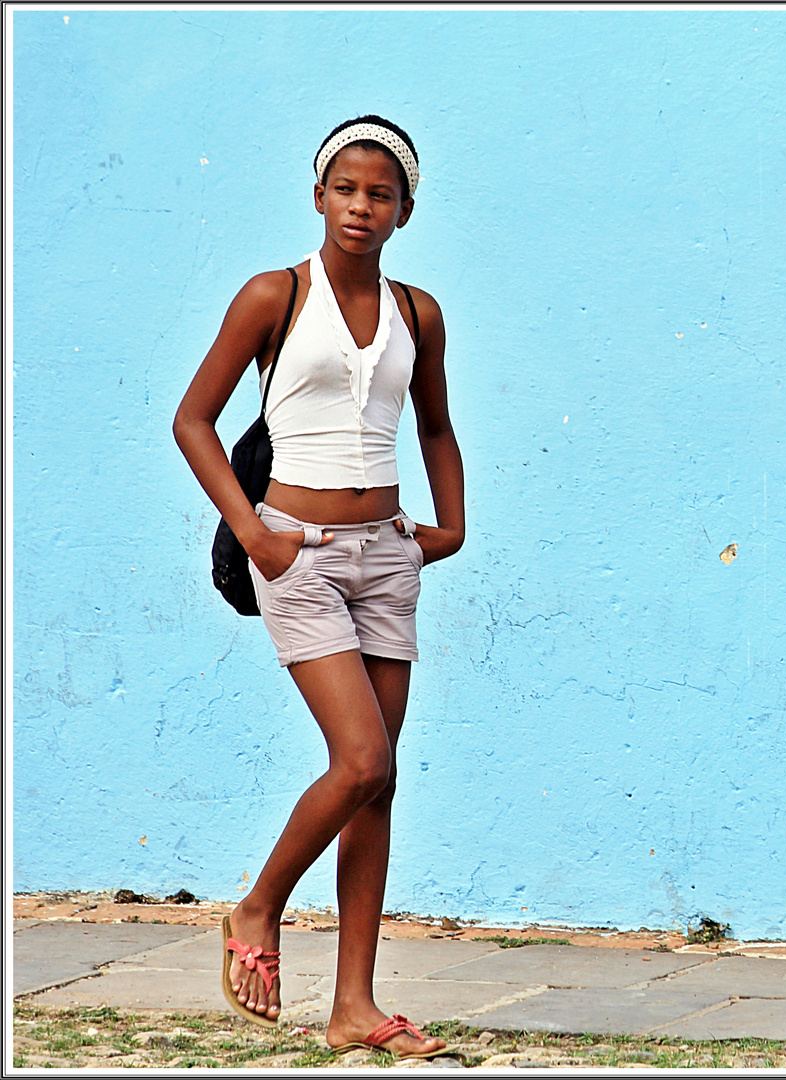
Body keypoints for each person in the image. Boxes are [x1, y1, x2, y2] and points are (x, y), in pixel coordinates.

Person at [173, 115, 462, 1060]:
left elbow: (434, 428)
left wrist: (447, 527)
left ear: (404, 212)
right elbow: (194, 420)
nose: (360, 207)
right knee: (362, 761)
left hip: (387, 554)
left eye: (380, 194)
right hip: (300, 553)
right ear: (318, 196)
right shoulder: (275, 294)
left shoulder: (420, 312)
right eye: (346, 189)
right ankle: (257, 907)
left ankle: (353, 1009)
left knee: (376, 790)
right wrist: (255, 531)